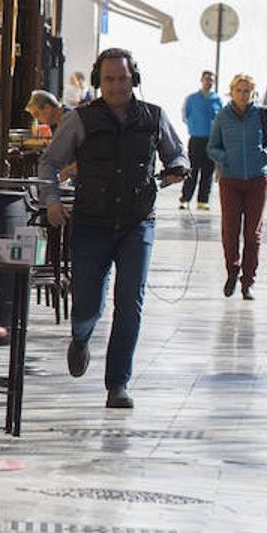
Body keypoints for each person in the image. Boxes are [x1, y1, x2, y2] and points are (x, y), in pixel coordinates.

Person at [38, 48, 188, 409]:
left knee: (130, 304)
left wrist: (177, 169)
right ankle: (81, 334)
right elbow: (49, 163)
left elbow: (178, 154)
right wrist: (52, 202)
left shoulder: (154, 117)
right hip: (91, 223)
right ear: (98, 81)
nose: (117, 86)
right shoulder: (81, 120)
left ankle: (118, 383)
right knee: (89, 301)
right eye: (109, 80)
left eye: (123, 79)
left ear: (133, 79)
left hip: (138, 223)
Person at [207, 74, 267, 301]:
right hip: (230, 180)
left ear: (253, 93)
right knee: (230, 230)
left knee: (253, 233)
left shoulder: (261, 114)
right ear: (231, 92)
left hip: (258, 180)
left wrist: (266, 155)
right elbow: (212, 147)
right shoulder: (223, 115)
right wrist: (225, 157)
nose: (243, 95)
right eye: (239, 90)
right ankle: (232, 271)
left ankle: (248, 281)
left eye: (247, 91)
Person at [179, 70, 222, 211]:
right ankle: (185, 199)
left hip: (211, 140)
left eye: (211, 80)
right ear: (201, 80)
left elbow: (220, 120)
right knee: (192, 170)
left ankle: (203, 201)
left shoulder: (217, 100)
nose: (208, 82)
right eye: (206, 79)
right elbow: (185, 116)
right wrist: (195, 126)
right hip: (196, 139)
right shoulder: (192, 98)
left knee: (208, 171)